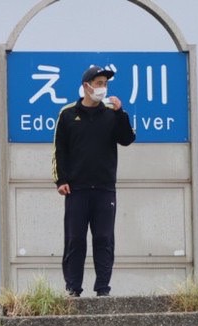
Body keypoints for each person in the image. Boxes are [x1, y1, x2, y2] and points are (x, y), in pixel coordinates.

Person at [52, 63, 136, 297]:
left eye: (105, 84)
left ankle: (103, 288)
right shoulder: (68, 114)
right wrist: (61, 180)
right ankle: (73, 288)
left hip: (105, 188)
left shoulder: (111, 114)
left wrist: (121, 113)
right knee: (75, 239)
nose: (102, 88)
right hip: (76, 189)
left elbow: (127, 139)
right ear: (86, 86)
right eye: (98, 84)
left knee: (104, 238)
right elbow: (59, 150)